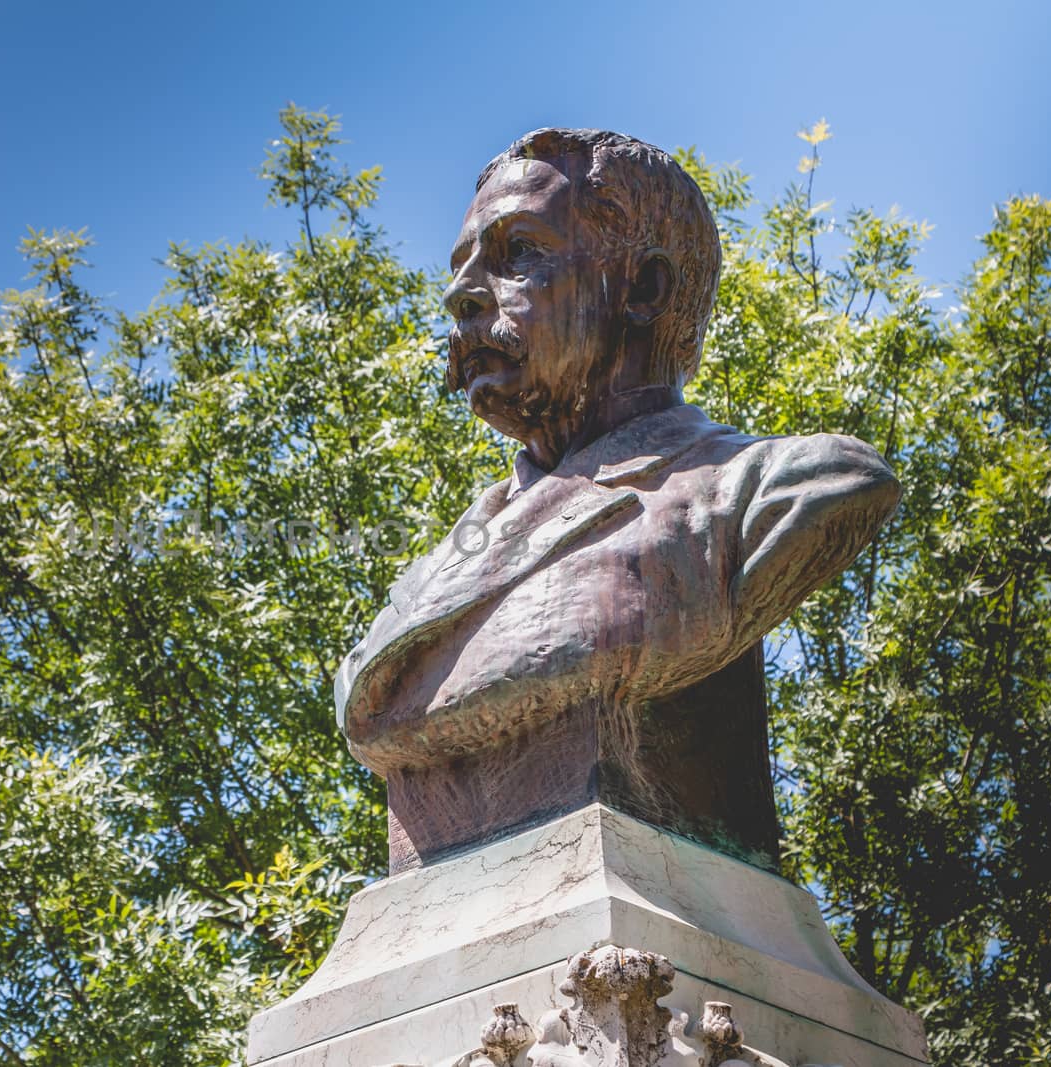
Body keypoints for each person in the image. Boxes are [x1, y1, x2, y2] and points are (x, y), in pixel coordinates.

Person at [336, 129, 900, 872]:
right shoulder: (429, 577)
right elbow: (368, 707)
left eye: (518, 254)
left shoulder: (780, 488)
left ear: (642, 289)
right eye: (463, 266)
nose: (462, 293)